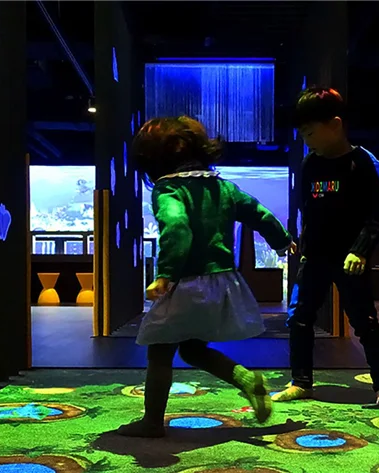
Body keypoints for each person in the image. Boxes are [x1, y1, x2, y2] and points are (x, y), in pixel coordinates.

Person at [117, 116, 297, 438]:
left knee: (159, 350)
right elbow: (258, 212)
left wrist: (165, 274)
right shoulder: (224, 187)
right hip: (222, 283)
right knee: (192, 349)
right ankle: (247, 380)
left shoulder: (169, 189)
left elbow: (177, 227)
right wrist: (282, 241)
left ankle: (152, 422)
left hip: (186, 283)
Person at [272, 88, 379, 406]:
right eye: (303, 134)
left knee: (364, 321)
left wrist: (360, 250)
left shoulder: (363, 162)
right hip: (314, 255)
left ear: (335, 125)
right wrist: (301, 244)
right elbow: (305, 208)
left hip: (350, 258)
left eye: (310, 133)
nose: (307, 141)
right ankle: (301, 382)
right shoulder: (309, 165)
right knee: (299, 318)